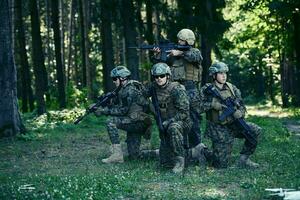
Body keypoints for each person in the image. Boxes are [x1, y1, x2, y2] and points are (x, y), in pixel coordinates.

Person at [144, 62, 206, 173]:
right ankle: (196, 152)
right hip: (164, 124)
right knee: (165, 162)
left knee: (173, 127)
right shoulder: (153, 87)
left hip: (182, 123)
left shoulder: (177, 89)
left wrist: (169, 121)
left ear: (168, 76)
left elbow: (184, 113)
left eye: (162, 76)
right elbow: (142, 95)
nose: (159, 79)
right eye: (156, 76)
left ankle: (180, 162)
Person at [200, 61, 262, 168]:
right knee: (220, 165)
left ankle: (244, 159)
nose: (224, 76)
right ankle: (203, 151)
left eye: (225, 73)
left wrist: (240, 113)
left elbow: (241, 104)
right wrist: (212, 105)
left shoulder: (232, 88)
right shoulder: (207, 89)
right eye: (220, 73)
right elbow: (196, 106)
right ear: (214, 75)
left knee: (254, 131)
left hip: (234, 124)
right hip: (218, 128)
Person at [153, 28, 203, 149]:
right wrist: (157, 55)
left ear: (188, 42)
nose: (179, 42)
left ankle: (197, 148)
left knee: (193, 120)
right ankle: (178, 147)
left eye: (181, 40)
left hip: (191, 90)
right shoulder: (173, 55)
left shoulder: (194, 52)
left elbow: (196, 57)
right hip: (176, 90)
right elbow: (162, 66)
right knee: (175, 118)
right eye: (179, 40)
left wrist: (180, 53)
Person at [94, 66, 152, 163]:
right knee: (134, 156)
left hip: (137, 122)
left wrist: (104, 111)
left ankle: (117, 155)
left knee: (110, 122)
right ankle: (159, 152)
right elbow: (121, 106)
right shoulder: (126, 88)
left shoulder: (129, 90)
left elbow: (122, 111)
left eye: (114, 79)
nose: (113, 81)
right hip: (137, 121)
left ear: (122, 78)